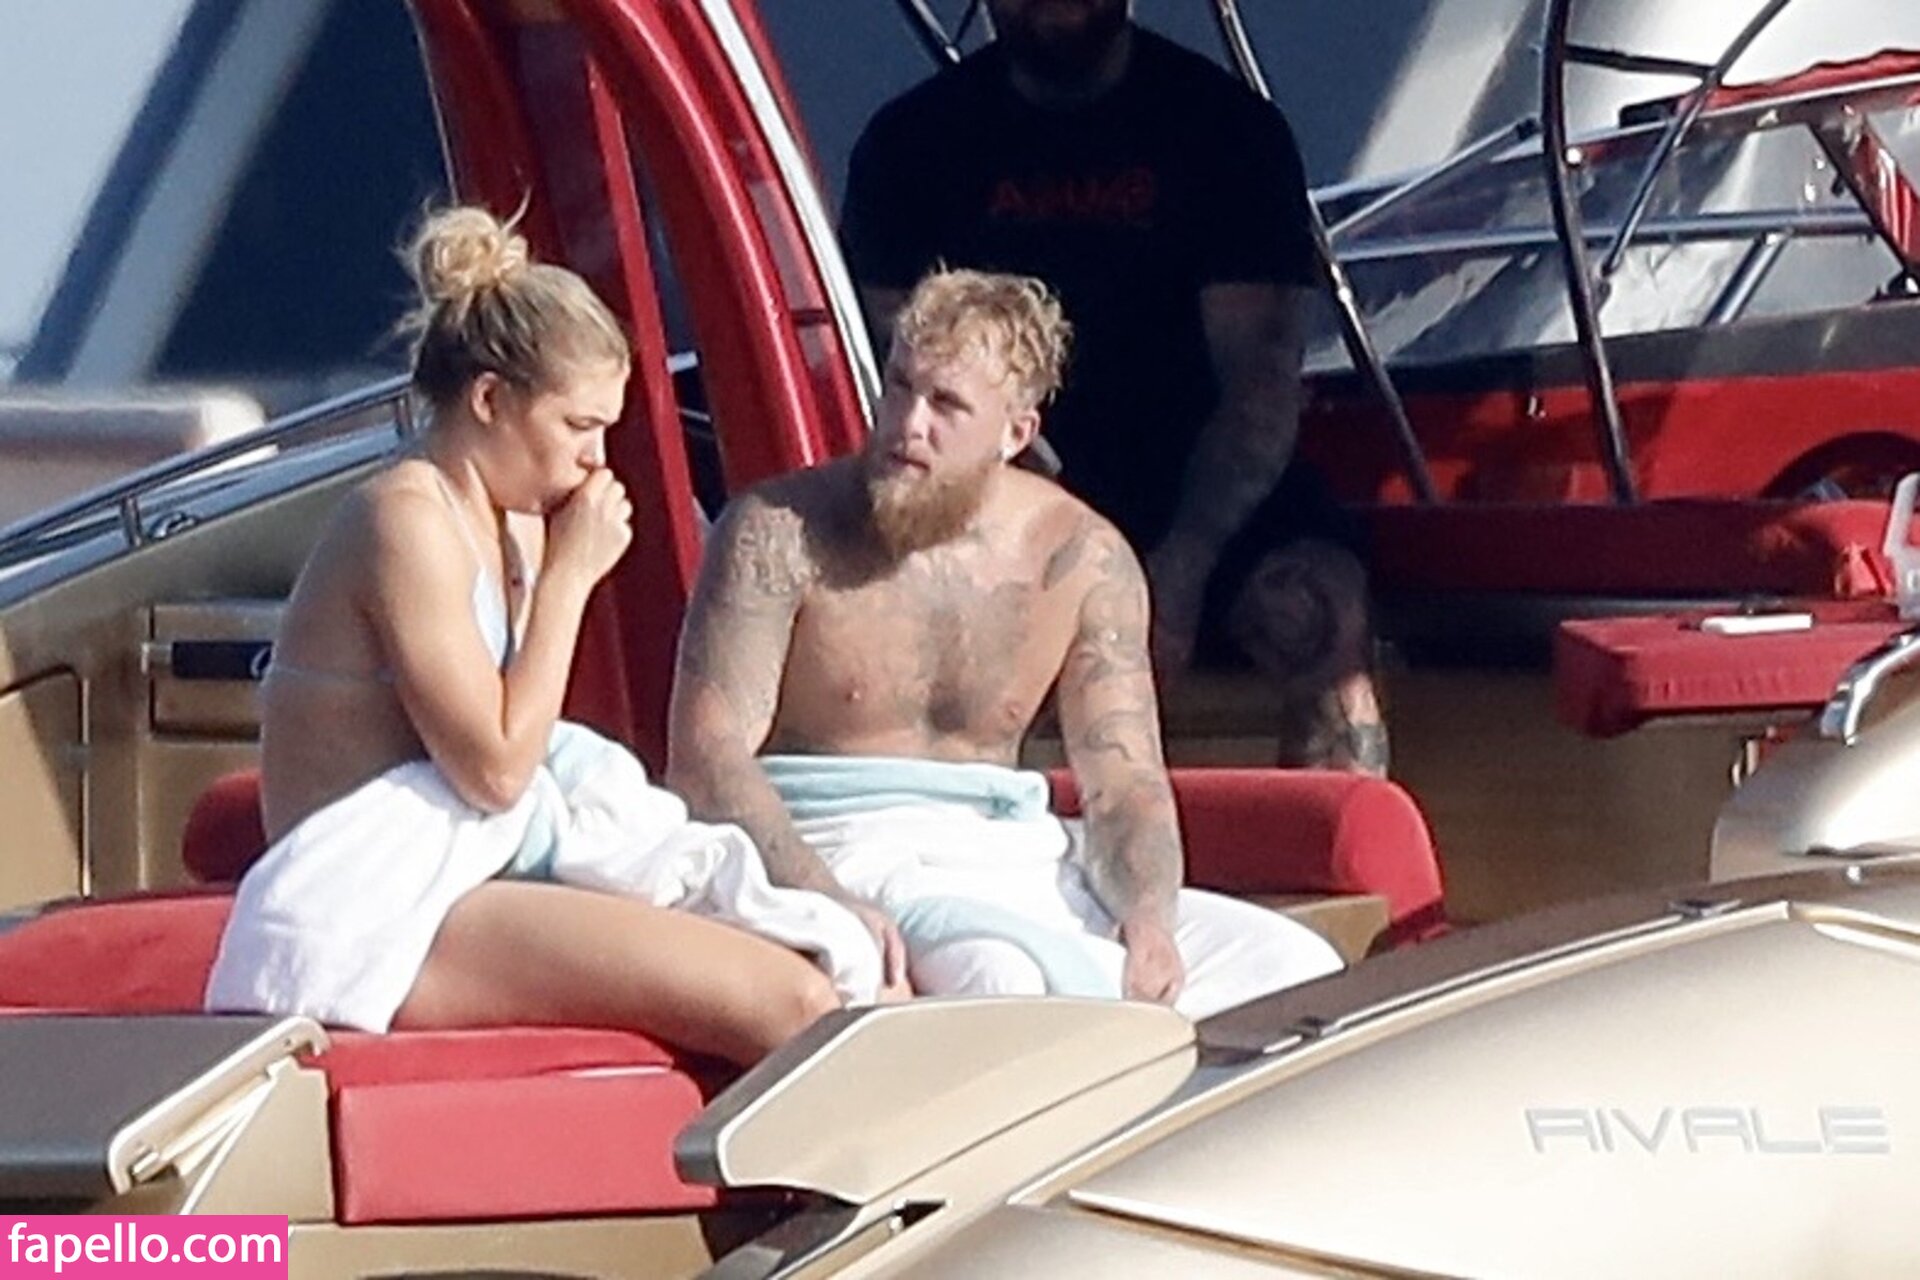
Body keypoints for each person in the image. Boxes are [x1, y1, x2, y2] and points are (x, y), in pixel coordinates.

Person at [205, 206, 874, 1066]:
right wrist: (570, 579)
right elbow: (493, 769)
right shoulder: (404, 519)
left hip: (469, 871)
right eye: (579, 427)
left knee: (826, 971)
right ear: (489, 399)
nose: (597, 459)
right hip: (376, 901)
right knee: (793, 1003)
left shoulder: (515, 520)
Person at [668, 269, 1342, 1017]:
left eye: (946, 404)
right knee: (1002, 977)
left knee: (1295, 967)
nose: (908, 425)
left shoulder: (1081, 555)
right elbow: (706, 758)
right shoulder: (777, 530)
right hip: (835, 844)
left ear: (1016, 433)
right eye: (899, 387)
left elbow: (1124, 783)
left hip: (1013, 849)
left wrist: (1150, 920)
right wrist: (821, 897)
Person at [839, 0, 1386, 774]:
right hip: (996, 484)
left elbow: (1259, 386)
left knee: (1319, 614)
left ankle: (1338, 840)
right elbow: (903, 387)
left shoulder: (1228, 131)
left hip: (1196, 485)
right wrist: (1055, 549)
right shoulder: (910, 146)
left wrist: (1181, 568)